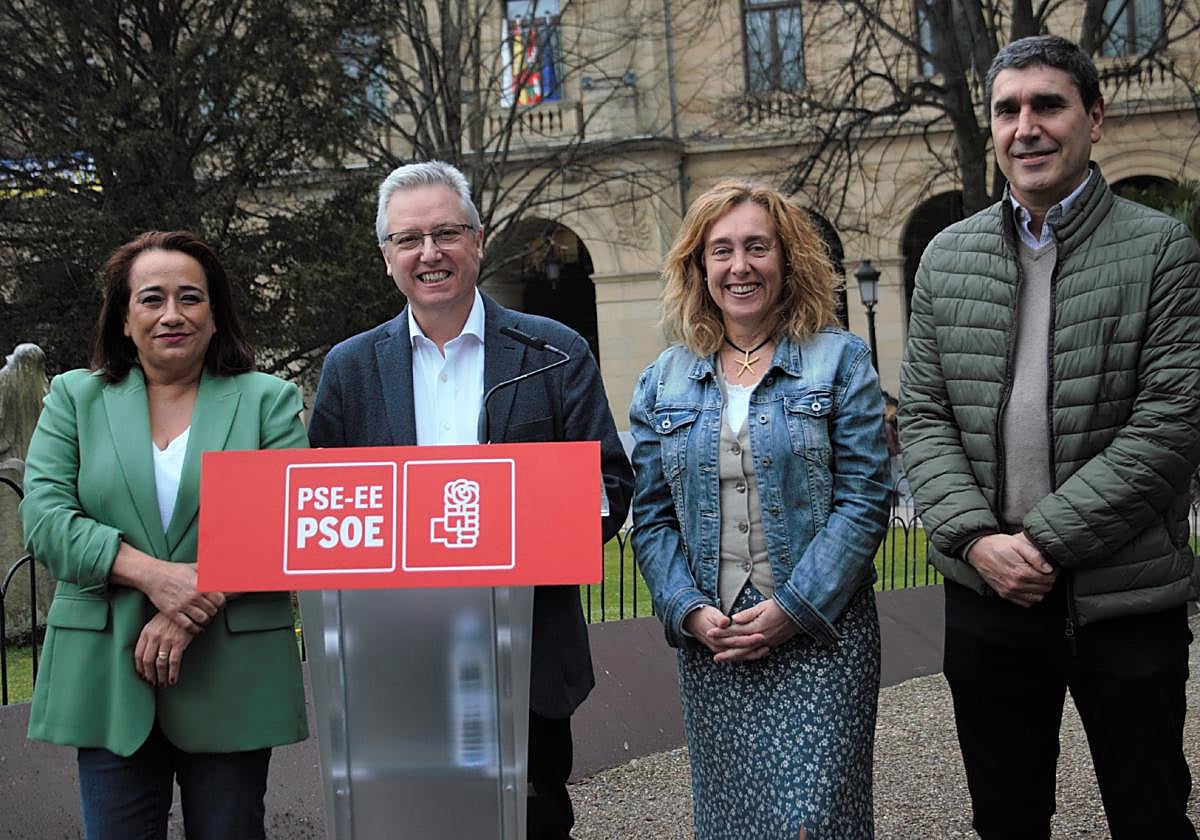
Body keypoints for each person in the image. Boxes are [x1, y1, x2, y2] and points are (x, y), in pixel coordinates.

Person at [900, 35, 1200, 840]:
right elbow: (923, 416)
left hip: (1123, 594)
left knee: (1150, 816)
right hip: (987, 593)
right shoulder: (946, 257)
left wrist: (1040, 542)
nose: (1025, 127)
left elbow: (1173, 421)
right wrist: (976, 540)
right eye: (1007, 110)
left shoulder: (1161, 249)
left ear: (1094, 118)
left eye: (1048, 105)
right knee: (1006, 819)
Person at [306, 160, 633, 840]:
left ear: (478, 241)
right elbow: (322, 508)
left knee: (534, 824)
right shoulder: (349, 369)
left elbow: (611, 485)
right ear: (387, 257)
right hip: (396, 660)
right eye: (409, 239)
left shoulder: (554, 352)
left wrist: (535, 525)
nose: (430, 252)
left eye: (447, 233)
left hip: (527, 654)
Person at [20, 231, 309, 839]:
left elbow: (286, 522)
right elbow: (45, 519)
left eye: (190, 298)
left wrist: (188, 606)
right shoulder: (74, 399)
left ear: (215, 314)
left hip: (232, 672)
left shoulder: (269, 401)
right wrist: (152, 575)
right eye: (152, 299)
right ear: (124, 319)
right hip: (107, 673)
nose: (172, 314)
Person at [629, 180, 891, 838]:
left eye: (757, 247)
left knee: (815, 823)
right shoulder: (663, 379)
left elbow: (865, 500)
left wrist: (793, 609)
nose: (739, 266)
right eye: (721, 250)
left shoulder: (840, 361)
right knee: (733, 823)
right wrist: (687, 610)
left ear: (788, 259)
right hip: (714, 642)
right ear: (699, 267)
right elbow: (652, 519)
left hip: (823, 636)